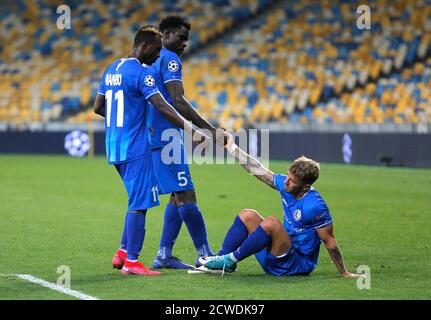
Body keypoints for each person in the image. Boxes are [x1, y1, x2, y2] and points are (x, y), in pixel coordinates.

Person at [93, 26, 206, 276]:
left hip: (114, 147)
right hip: (136, 147)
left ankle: (122, 253)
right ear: (143, 47)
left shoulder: (111, 69)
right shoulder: (142, 74)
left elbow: (98, 107)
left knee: (136, 199)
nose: (158, 56)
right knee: (139, 204)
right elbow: (163, 106)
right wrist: (191, 129)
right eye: (155, 50)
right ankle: (132, 262)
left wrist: (123, 121)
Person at [199, 134, 365, 279]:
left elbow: (329, 241)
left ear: (305, 187)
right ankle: (219, 261)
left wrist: (344, 272)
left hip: (296, 265)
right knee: (247, 215)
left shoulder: (315, 206)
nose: (286, 181)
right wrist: (232, 147)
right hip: (278, 255)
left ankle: (229, 260)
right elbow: (257, 168)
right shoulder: (287, 185)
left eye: (292, 181)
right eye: (288, 176)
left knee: (272, 223)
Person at [148, 15, 223, 270]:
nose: (184, 44)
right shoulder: (169, 59)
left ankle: (164, 254)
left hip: (154, 135)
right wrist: (210, 129)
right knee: (186, 192)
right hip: (166, 137)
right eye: (181, 38)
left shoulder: (148, 60)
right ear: (166, 34)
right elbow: (177, 100)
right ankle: (204, 254)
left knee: (176, 195)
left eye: (186, 40)